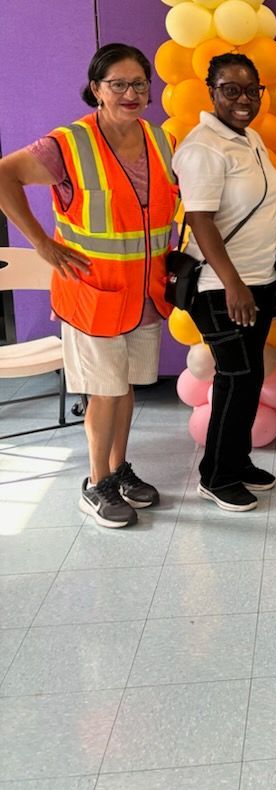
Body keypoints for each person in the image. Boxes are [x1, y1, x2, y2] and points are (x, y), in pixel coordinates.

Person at [0, 43, 178, 528]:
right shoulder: (67, 145)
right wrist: (40, 244)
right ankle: (96, 483)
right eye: (118, 84)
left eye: (139, 83)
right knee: (104, 391)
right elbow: (4, 176)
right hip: (91, 293)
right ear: (96, 89)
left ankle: (119, 469)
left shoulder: (160, 140)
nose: (131, 93)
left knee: (123, 389)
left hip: (144, 294)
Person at [172, 54, 276, 512]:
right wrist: (233, 284)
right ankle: (215, 475)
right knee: (236, 377)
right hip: (221, 288)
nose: (242, 99)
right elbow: (200, 221)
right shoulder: (204, 147)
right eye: (229, 89)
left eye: (250, 90)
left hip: (257, 280)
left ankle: (236, 461)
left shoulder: (250, 138)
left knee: (250, 375)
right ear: (211, 91)